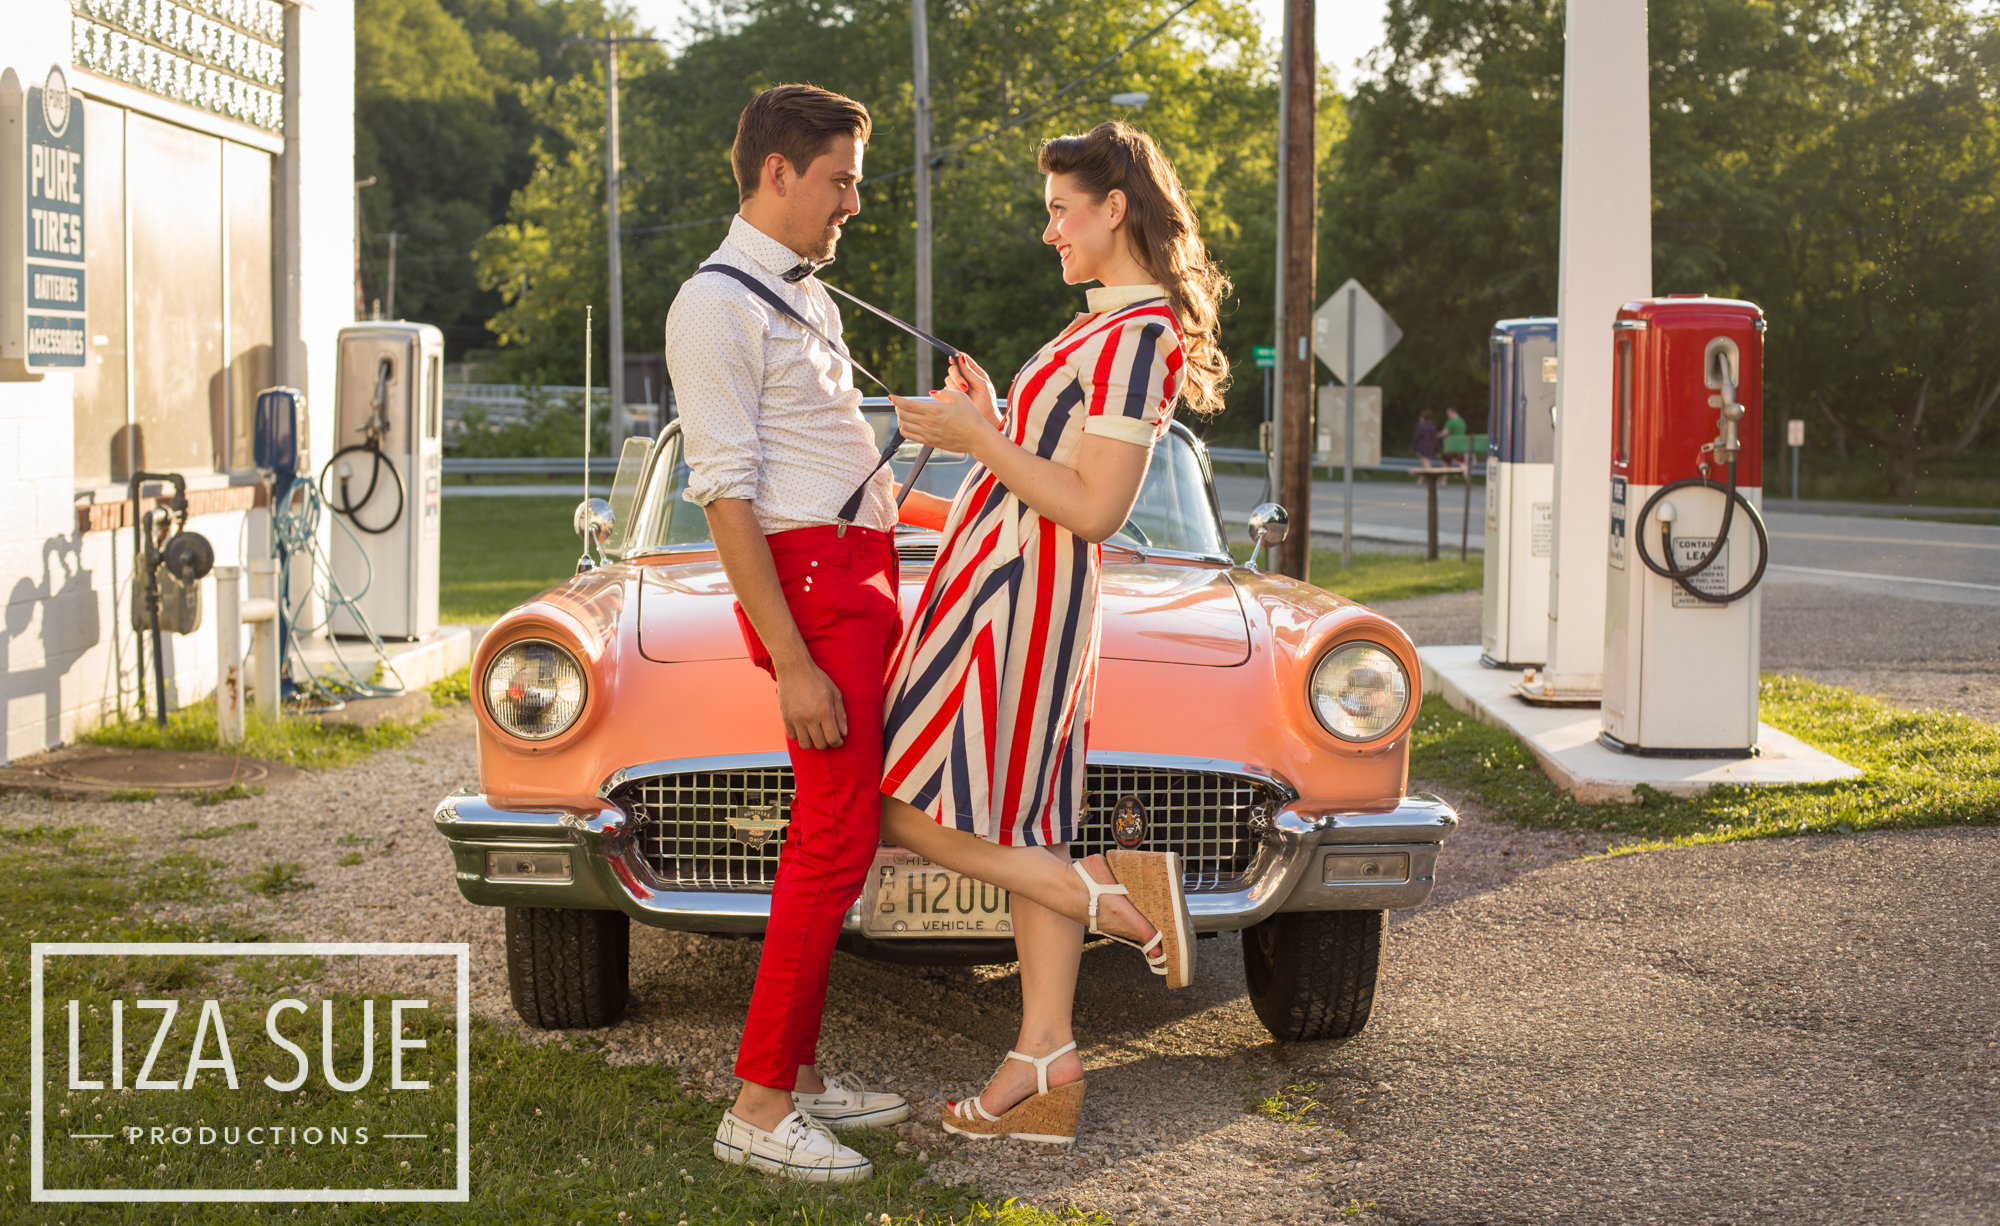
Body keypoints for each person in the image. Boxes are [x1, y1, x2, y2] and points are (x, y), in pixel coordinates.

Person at [875, 121, 1229, 1147]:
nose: (1049, 232)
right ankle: (1041, 1058)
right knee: (1026, 824)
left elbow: (1094, 508)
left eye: (1059, 211)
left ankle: (1108, 894)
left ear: (1112, 209)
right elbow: (1027, 492)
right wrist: (945, 476)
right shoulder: (1098, 325)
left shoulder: (1137, 335)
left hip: (1017, 605)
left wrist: (979, 437)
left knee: (892, 805)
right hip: (995, 579)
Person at [662, 83, 910, 1185]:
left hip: (854, 570)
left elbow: (838, 467)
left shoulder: (807, 298)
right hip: (811, 591)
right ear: (777, 171)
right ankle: (760, 1104)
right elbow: (726, 496)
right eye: (840, 178)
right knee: (827, 841)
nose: (854, 200)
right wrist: (796, 662)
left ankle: (796, 1074)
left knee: (841, 837)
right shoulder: (714, 305)